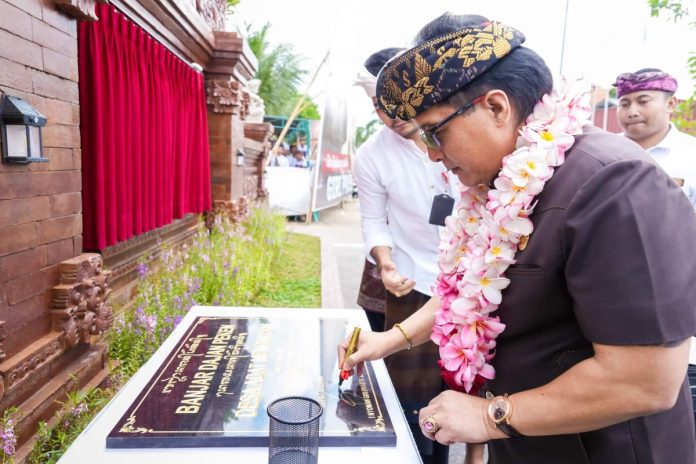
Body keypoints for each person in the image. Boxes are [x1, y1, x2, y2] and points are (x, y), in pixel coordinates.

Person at [340, 13, 696, 464]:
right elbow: (468, 291)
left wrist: (490, 417)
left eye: (435, 132)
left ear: (496, 107)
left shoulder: (613, 185)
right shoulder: (501, 183)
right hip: (531, 440)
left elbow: (645, 380)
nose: (431, 155)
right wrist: (390, 339)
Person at [353, 46, 460, 464]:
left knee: (472, 385)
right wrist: (386, 264)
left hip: (475, 283)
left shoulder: (458, 133)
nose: (391, 114)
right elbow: (373, 220)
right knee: (413, 400)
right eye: (379, 106)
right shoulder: (372, 155)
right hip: (414, 284)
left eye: (399, 101)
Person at [614, 68, 696, 208]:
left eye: (643, 101)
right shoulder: (603, 151)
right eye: (624, 104)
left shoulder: (691, 154)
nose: (632, 112)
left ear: (670, 104)